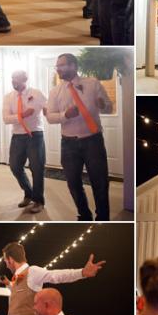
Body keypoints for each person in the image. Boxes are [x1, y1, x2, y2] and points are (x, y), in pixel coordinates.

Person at [46, 53, 112, 221]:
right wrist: (65, 115)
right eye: (57, 66)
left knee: (100, 183)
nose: (58, 69)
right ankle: (84, 215)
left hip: (93, 141)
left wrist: (103, 105)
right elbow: (50, 117)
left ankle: (103, 218)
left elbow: (109, 108)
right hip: (69, 144)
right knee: (73, 184)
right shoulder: (55, 91)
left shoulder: (93, 83)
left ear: (73, 66)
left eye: (62, 65)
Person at [2, 70, 47, 214]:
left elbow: (48, 108)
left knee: (37, 168)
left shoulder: (37, 93)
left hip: (35, 134)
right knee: (15, 166)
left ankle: (38, 201)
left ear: (25, 79)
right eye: (12, 79)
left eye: (16, 79)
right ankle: (29, 193)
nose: (13, 81)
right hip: (18, 136)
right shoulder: (8, 97)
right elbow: (6, 119)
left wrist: (48, 112)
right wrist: (22, 115)